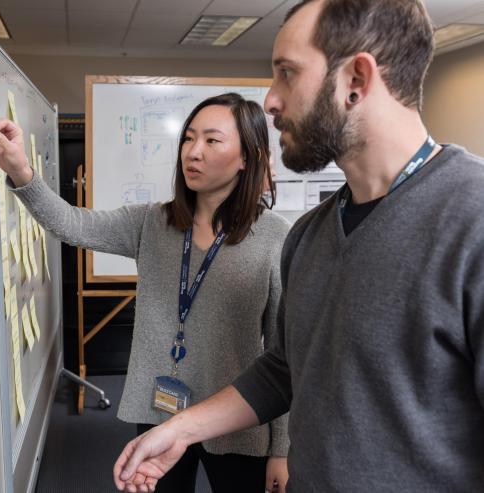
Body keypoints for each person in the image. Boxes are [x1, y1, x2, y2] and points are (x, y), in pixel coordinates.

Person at [113, 0, 484, 492]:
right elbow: (287, 369)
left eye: (287, 73)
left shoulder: (471, 221)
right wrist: (180, 428)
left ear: (356, 80)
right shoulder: (310, 234)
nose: (269, 100)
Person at [0, 93, 291, 492]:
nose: (193, 152)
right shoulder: (153, 222)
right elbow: (71, 224)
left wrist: (282, 449)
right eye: (188, 139)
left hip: (238, 418)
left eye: (212, 140)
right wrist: (22, 172)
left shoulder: (275, 237)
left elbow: (284, 352)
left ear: (247, 158)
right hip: (160, 409)